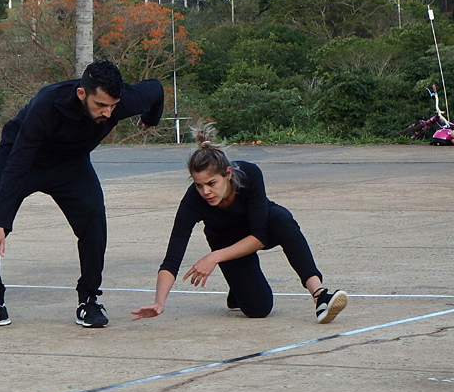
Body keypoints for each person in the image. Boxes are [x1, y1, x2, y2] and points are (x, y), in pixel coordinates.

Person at [0, 60, 165, 329]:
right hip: (24, 156)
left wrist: (150, 120)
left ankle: (89, 300)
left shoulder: (122, 101)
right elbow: (17, 164)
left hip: (70, 162)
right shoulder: (48, 104)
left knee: (93, 217)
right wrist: (0, 223)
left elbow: (155, 90)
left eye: (113, 106)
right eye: (101, 105)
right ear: (82, 93)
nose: (107, 113)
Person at [131, 124, 348, 324]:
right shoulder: (192, 202)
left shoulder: (250, 174)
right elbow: (172, 258)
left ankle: (320, 296)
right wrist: (159, 302)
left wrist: (213, 257)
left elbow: (260, 236)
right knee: (258, 309)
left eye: (211, 183)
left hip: (260, 228)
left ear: (228, 174)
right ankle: (237, 287)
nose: (205, 192)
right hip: (226, 241)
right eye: (199, 185)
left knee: (282, 219)